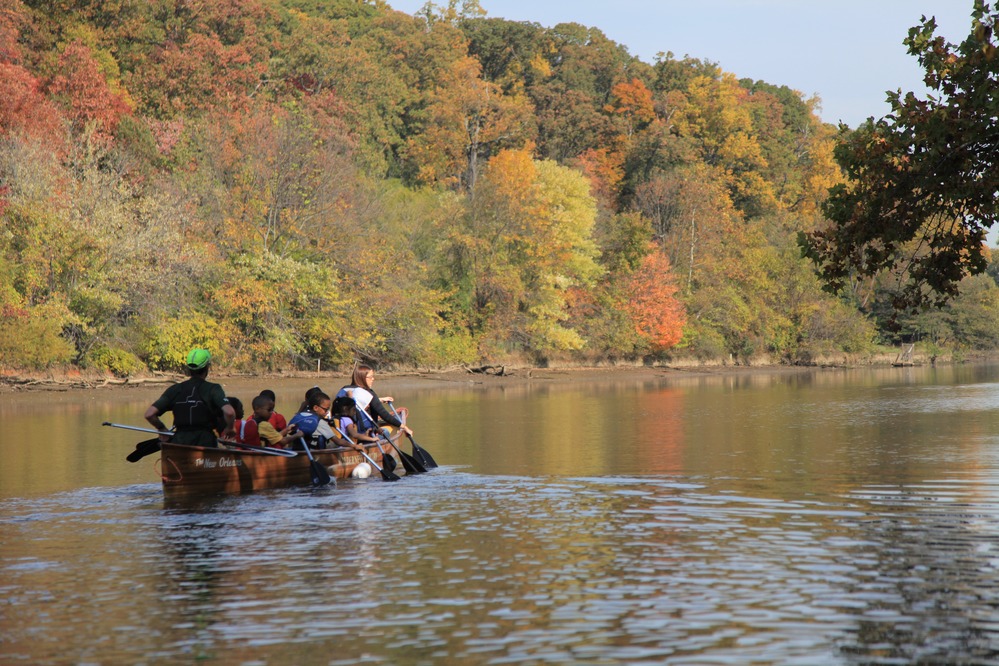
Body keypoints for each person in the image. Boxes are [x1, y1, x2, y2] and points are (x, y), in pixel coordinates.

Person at [144, 348, 236, 447]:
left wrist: (161, 428)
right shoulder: (213, 389)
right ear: (207, 367)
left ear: (189, 369)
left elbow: (149, 414)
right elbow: (229, 412)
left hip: (179, 442)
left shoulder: (175, 389)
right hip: (205, 442)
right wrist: (230, 428)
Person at [337, 365, 413, 438]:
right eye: (370, 377)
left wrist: (379, 399)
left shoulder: (344, 389)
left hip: (342, 432)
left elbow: (355, 401)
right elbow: (384, 415)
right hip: (364, 434)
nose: (373, 379)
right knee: (385, 432)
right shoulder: (368, 393)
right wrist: (404, 427)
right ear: (362, 378)